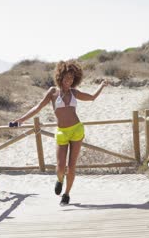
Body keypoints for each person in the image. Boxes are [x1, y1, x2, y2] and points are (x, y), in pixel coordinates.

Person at [12, 59, 108, 205]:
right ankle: (59, 179)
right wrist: (20, 120)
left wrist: (101, 86)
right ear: (60, 76)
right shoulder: (53, 92)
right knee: (60, 167)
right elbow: (37, 108)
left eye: (72, 78)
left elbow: (92, 97)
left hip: (77, 130)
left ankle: (67, 194)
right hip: (62, 132)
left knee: (72, 166)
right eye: (66, 77)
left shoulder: (74, 93)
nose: (69, 81)